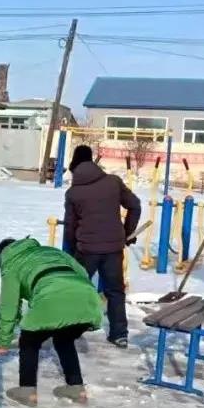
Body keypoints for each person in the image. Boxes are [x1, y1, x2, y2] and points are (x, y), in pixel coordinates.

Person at [0, 237, 103, 407]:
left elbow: (9, 306)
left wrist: (2, 342)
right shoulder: (51, 251)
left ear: (2, 257)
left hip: (52, 296)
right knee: (64, 339)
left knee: (29, 341)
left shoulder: (11, 264)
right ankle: (76, 387)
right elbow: (82, 272)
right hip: (87, 297)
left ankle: (27, 391)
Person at [64, 144, 141, 348]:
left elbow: (70, 226)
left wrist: (71, 249)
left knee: (77, 288)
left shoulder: (73, 193)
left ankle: (72, 329)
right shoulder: (113, 182)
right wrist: (127, 232)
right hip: (113, 248)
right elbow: (135, 205)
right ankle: (119, 334)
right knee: (115, 291)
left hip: (86, 250)